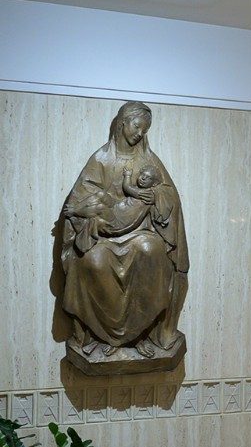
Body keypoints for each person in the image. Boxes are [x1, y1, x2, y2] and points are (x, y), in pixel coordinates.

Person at [61, 101, 189, 359]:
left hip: (140, 232)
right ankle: (105, 336)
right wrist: (95, 213)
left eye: (145, 130)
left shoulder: (149, 160)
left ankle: (141, 334)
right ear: (123, 123)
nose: (140, 133)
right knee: (93, 260)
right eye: (137, 126)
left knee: (151, 250)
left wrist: (156, 196)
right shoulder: (101, 160)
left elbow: (169, 195)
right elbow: (78, 200)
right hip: (103, 235)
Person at [64, 165, 165, 238]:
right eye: (142, 174)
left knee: (100, 208)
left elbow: (127, 187)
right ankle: (77, 206)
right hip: (116, 208)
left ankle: (74, 211)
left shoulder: (147, 194)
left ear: (154, 184)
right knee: (101, 194)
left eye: (148, 178)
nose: (143, 178)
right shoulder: (141, 190)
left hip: (118, 222)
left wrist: (128, 175)